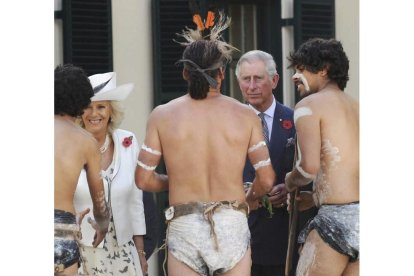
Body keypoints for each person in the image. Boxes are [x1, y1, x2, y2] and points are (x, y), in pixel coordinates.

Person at [135, 11, 275, 276]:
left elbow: (143, 179)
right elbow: (266, 180)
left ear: (186, 73)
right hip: (231, 222)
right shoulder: (245, 115)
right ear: (221, 74)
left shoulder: (163, 115)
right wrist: (251, 195)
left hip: (185, 224)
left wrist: (173, 181)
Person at [285, 38, 359, 275]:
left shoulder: (310, 105)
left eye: (302, 69)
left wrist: (289, 181)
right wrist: (315, 198)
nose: (295, 76)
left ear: (324, 69)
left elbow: (308, 168)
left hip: (334, 223)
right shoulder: (357, 107)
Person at [73, 72, 148, 275]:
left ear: (111, 111)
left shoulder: (128, 141)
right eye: (87, 106)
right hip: (83, 251)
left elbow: (136, 200)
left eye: (101, 106)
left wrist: (140, 252)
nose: (93, 113)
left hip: (123, 250)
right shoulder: (69, 146)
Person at [235, 50, 296, 276]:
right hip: (241, 239)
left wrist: (290, 189)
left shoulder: (296, 120)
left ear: (274, 80)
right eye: (245, 79)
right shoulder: (229, 123)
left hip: (283, 239)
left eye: (258, 78)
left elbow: (312, 172)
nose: (251, 86)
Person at [54, 64, 109, 275]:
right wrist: (101, 226)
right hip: (63, 230)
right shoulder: (86, 141)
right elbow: (99, 201)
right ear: (83, 102)